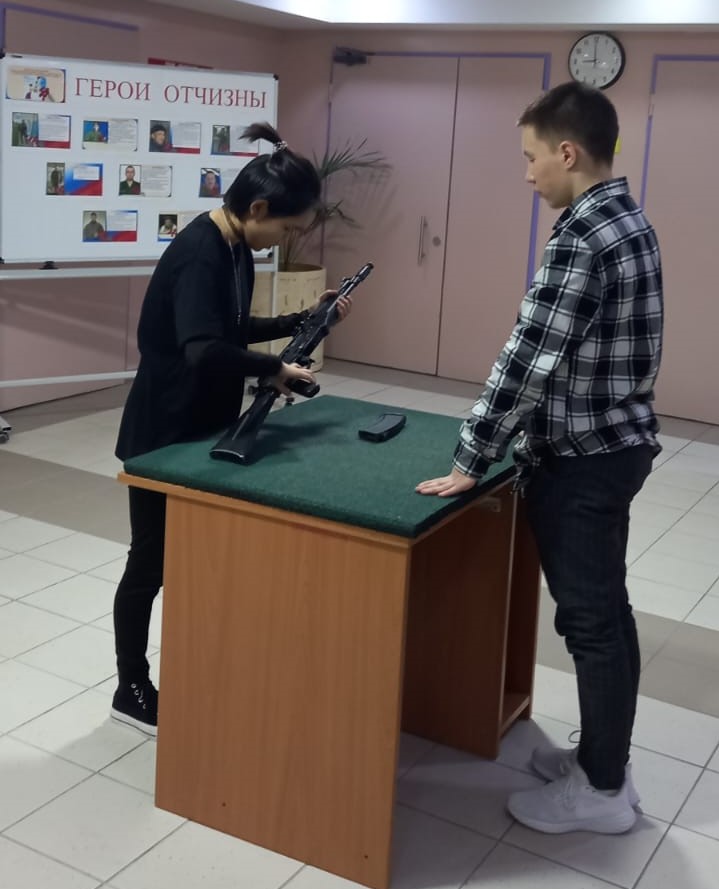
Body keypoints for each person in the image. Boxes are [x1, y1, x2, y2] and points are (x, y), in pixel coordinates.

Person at [416, 82, 663, 834]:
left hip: (583, 459)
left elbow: (528, 359)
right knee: (607, 614)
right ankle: (603, 763)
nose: (527, 174)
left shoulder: (582, 235)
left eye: (531, 158)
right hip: (618, 443)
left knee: (591, 623)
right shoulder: (629, 218)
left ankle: (602, 792)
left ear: (567, 151)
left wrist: (473, 454)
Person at [111, 122, 353, 736]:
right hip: (164, 433)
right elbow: (201, 348)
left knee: (199, 559)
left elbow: (230, 329)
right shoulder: (201, 253)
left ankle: (199, 661)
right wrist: (274, 370)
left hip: (204, 426)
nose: (287, 240)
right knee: (150, 563)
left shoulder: (236, 245)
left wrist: (304, 319)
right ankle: (130, 685)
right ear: (259, 208)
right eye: (288, 229)